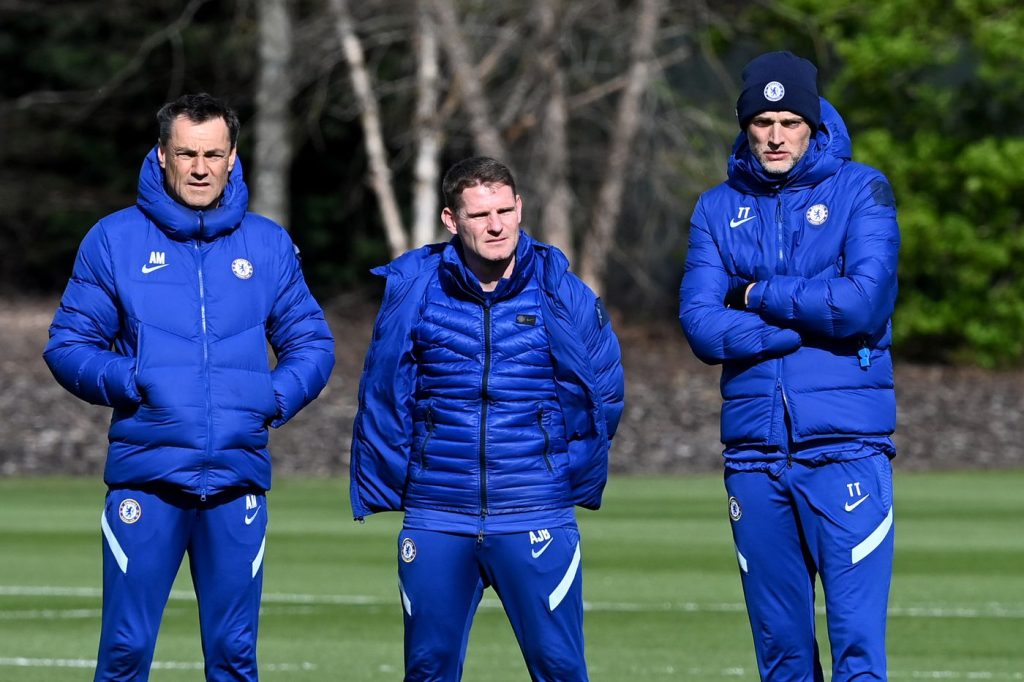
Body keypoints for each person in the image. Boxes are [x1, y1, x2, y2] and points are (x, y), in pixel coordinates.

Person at [43, 93, 335, 681]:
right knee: (125, 652)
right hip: (146, 481)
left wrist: (273, 397)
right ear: (162, 155)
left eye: (213, 154)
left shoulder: (267, 244)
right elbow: (67, 347)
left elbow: (313, 344)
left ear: (232, 157)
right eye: (186, 153)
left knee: (234, 657)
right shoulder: (113, 240)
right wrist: (134, 380)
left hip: (236, 480)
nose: (200, 168)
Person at [350, 156, 625, 681]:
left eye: (505, 210)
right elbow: (386, 392)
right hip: (437, 516)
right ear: (452, 220)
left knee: (561, 669)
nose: (496, 225)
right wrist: (410, 476)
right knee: (428, 670)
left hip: (534, 512)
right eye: (480, 215)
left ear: (520, 208)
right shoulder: (415, 288)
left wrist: (551, 469)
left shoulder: (561, 290)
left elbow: (604, 393)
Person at [679, 52, 900, 681]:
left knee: (858, 652)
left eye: (790, 121)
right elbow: (700, 325)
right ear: (746, 125)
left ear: (814, 124)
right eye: (763, 121)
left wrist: (753, 294)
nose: (776, 136)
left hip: (847, 450)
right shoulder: (716, 208)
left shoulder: (863, 189)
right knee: (782, 658)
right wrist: (803, 326)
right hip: (754, 460)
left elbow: (862, 304)